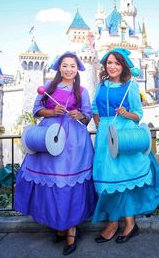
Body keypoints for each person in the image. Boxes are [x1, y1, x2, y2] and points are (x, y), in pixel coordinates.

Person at [14, 52, 97, 256]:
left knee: (69, 184)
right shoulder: (48, 87)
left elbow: (87, 119)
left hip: (74, 146)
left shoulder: (83, 91)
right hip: (49, 139)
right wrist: (53, 112)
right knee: (51, 183)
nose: (69, 69)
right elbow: (36, 110)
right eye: (65, 65)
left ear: (77, 69)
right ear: (59, 68)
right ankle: (59, 225)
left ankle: (71, 230)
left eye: (73, 66)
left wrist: (80, 115)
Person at [92, 48, 159, 244]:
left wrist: (125, 113)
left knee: (123, 179)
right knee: (107, 181)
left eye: (117, 63)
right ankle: (113, 223)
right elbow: (95, 109)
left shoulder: (130, 86)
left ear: (123, 66)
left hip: (123, 135)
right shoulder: (101, 85)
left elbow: (138, 114)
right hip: (105, 136)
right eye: (109, 63)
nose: (112, 66)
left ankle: (129, 223)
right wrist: (100, 126)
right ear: (105, 66)